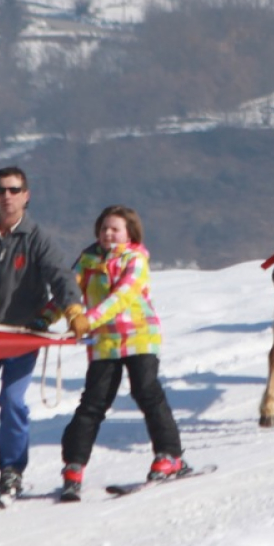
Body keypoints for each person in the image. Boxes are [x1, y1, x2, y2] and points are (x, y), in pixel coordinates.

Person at [0, 166, 81, 506]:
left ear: (26, 195)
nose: (7, 196)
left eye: (14, 189)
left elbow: (61, 277)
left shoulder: (36, 238)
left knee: (13, 402)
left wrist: (73, 310)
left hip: (22, 335)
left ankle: (11, 469)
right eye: (1, 190)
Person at [55, 206, 188, 501]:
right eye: (104, 228)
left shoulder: (135, 259)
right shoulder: (87, 260)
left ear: (130, 233)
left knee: (146, 392)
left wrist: (88, 320)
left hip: (139, 335)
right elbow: (68, 292)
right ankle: (73, 466)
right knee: (93, 402)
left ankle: (170, 454)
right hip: (104, 341)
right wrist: (43, 319)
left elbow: (122, 296)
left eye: (115, 229)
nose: (108, 234)